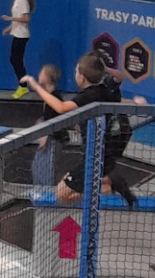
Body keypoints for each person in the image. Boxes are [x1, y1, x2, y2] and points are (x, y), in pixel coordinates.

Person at [21, 51, 143, 206]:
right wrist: (104, 69)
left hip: (94, 155)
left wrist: (36, 87)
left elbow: (61, 107)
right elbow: (120, 77)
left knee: (61, 196)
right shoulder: (105, 90)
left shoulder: (88, 96)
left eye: (76, 71)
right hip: (105, 152)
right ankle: (109, 183)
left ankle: (109, 185)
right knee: (73, 180)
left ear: (82, 77)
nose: (75, 75)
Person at [30, 62, 63, 187]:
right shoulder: (50, 97)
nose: (38, 75)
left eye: (41, 73)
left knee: (46, 172)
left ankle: (47, 196)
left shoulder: (55, 98)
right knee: (37, 167)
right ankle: (39, 194)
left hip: (52, 140)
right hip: (49, 139)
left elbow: (54, 121)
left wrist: (45, 136)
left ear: (48, 78)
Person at [4, 0, 34, 96]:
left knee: (16, 60)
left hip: (21, 35)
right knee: (15, 60)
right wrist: (9, 28)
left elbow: (26, 18)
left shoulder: (22, 1)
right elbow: (19, 19)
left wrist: (10, 19)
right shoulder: (18, 0)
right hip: (17, 34)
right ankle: (23, 85)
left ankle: (23, 86)